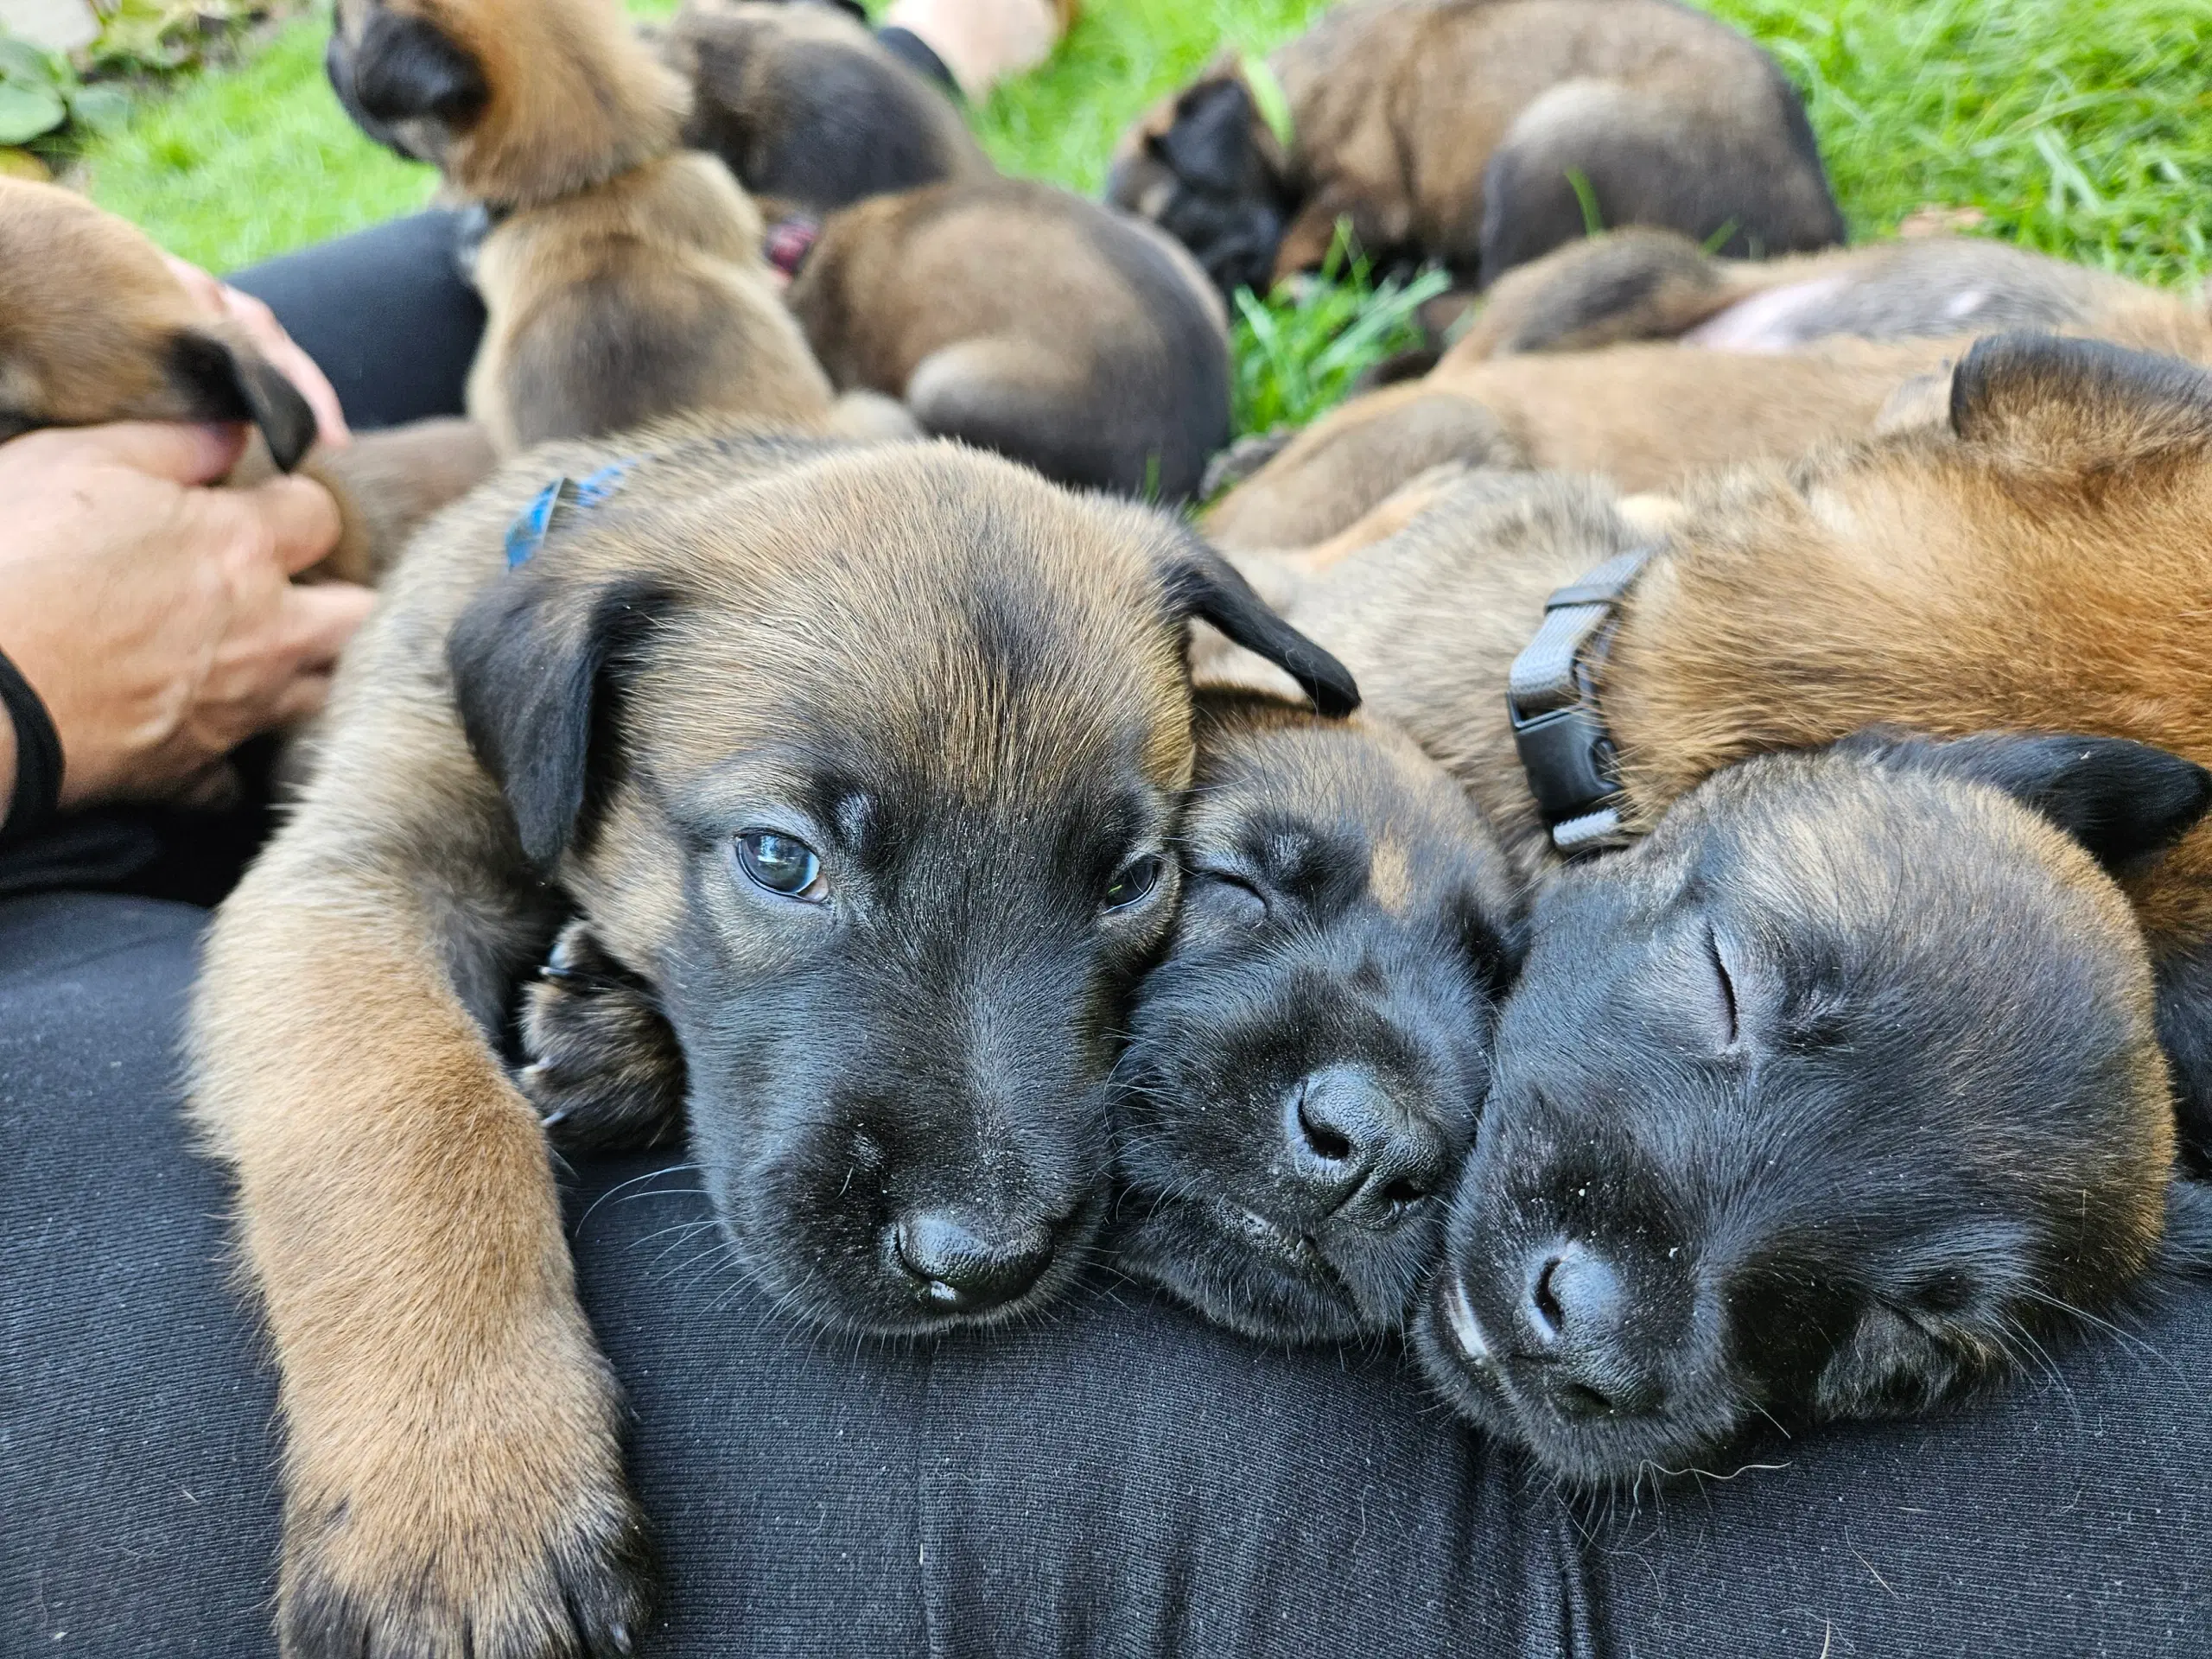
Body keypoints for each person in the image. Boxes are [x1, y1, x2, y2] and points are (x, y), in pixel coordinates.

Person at [7, 5, 2212, 1653]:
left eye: (1140, 872)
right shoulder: (542, 653)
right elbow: (357, 906)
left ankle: (913, 36)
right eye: (784, 857)